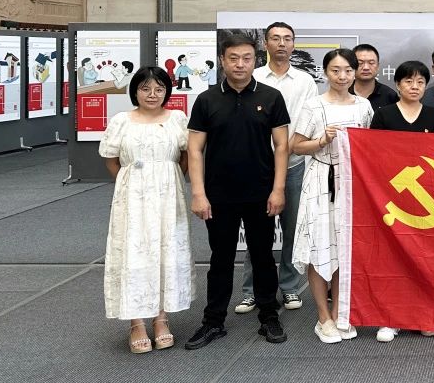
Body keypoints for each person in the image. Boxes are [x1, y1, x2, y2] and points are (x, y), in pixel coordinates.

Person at [185, 34, 291, 349]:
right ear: (222, 60)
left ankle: (269, 316)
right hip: (219, 195)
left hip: (261, 192)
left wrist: (278, 189)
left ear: (255, 60)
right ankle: (213, 321)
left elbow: (282, 146)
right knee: (220, 259)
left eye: (246, 58)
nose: (240, 64)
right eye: (233, 58)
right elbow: (194, 150)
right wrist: (198, 193)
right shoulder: (206, 100)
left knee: (263, 257)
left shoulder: (271, 97)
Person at [100, 66, 194, 353]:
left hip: (168, 196)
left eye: (159, 89)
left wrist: (168, 180)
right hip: (132, 199)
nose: (152, 94)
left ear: (167, 92)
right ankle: (137, 323)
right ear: (135, 91)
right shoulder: (121, 121)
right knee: (134, 254)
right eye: (145, 88)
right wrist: (131, 183)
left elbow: (185, 156)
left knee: (166, 252)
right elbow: (112, 160)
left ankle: (161, 318)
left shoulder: (177, 119)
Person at [290, 49, 374, 344]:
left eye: (348, 70)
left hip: (351, 183)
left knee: (344, 248)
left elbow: (370, 145)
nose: (342, 76)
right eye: (336, 70)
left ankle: (340, 312)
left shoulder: (363, 106)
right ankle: (323, 317)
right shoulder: (313, 106)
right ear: (326, 72)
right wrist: (321, 140)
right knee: (318, 246)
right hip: (319, 180)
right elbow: (296, 146)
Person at [236, 22, 317, 315]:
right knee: (257, 232)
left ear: (293, 44)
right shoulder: (254, 77)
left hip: (294, 164)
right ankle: (252, 291)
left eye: (287, 39)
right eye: (275, 38)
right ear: (265, 44)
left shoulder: (305, 81)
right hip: (258, 167)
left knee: (292, 230)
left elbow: (310, 119)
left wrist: (293, 146)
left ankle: (290, 286)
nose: (282, 43)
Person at [370, 60, 434, 342]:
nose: (414, 86)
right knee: (393, 258)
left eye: (420, 82)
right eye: (408, 81)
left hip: (427, 198)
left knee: (426, 259)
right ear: (397, 84)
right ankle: (391, 319)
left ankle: (425, 315)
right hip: (392, 197)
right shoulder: (384, 115)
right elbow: (372, 154)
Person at [350, 43, 399, 110]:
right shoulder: (343, 92)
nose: (366, 67)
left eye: (371, 63)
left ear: (378, 66)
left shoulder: (390, 95)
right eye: (360, 63)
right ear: (352, 65)